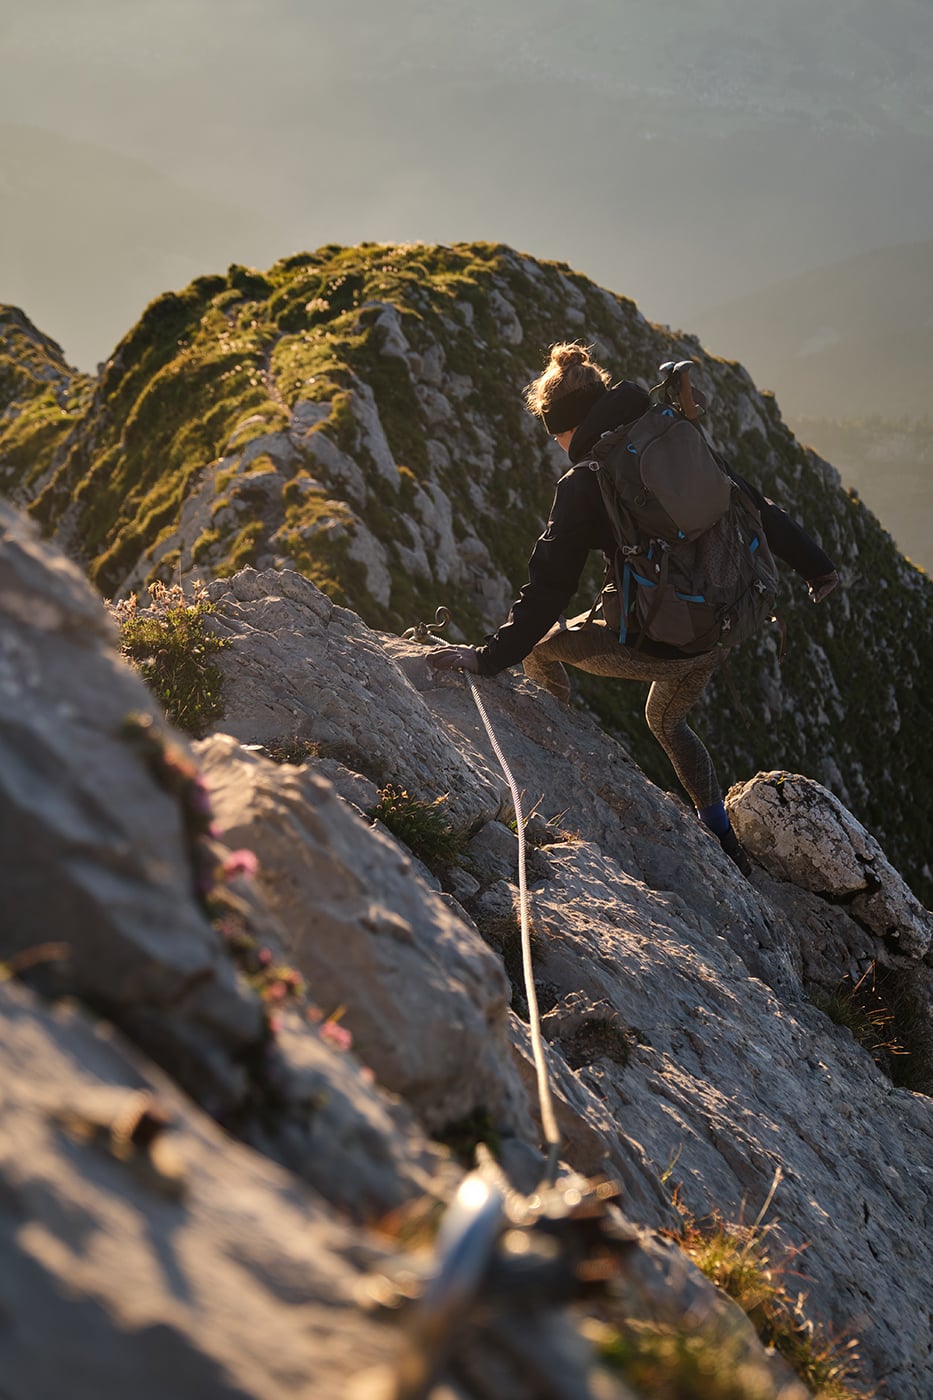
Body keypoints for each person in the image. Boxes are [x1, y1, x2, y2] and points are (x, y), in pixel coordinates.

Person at [427, 342, 838, 875]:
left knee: (541, 655)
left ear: (567, 427)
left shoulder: (586, 480)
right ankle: (722, 836)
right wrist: (817, 567)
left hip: (665, 641)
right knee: (665, 721)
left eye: (555, 436)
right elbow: (754, 504)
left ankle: (558, 752)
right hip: (725, 625)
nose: (557, 447)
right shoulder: (673, 435)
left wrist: (488, 657)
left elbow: (550, 585)